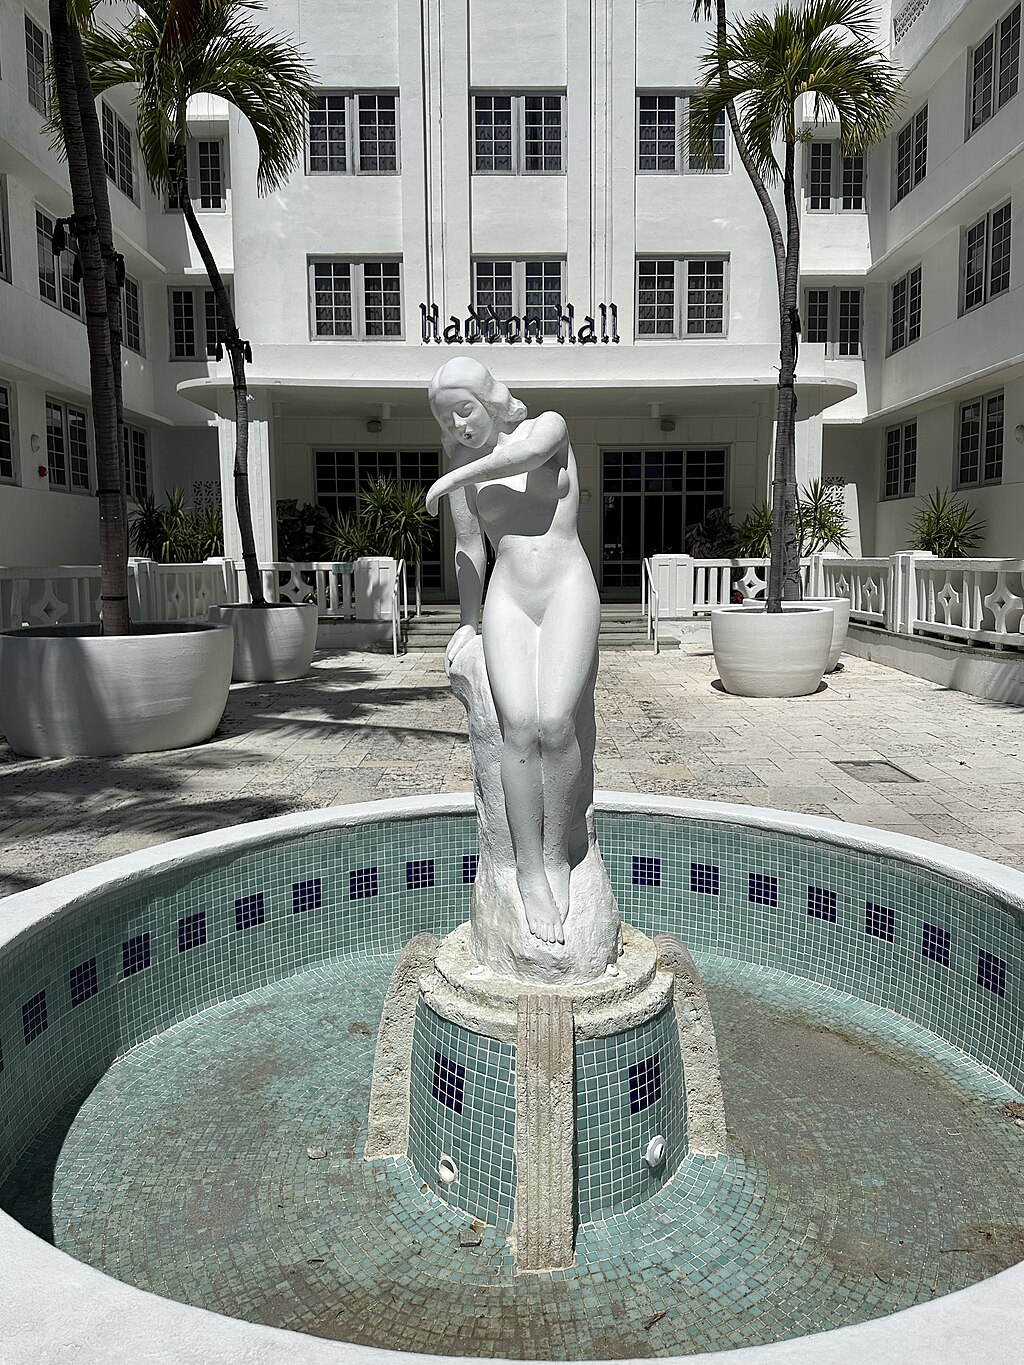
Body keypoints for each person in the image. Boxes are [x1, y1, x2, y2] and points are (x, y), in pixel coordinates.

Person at [426, 358, 600, 948]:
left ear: (491, 400)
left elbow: (522, 460)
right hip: (509, 599)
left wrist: (452, 480)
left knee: (556, 723)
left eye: (465, 410)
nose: (458, 426)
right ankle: (527, 866)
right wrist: (466, 623)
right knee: (517, 729)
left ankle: (556, 855)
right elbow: (471, 550)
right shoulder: (462, 467)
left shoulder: (547, 427)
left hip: (566, 587)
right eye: (447, 419)